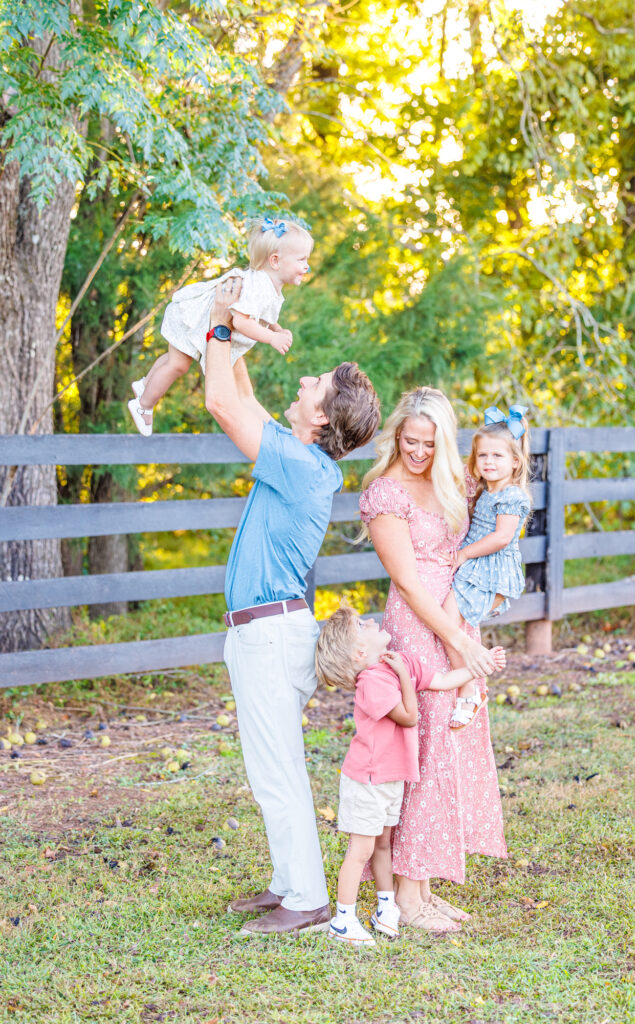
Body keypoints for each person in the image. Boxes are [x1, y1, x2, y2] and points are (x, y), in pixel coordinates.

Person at [204, 278, 380, 937]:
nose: (304, 379)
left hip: (272, 636)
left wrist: (219, 327)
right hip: (269, 632)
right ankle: (288, 882)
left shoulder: (302, 466)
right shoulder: (296, 454)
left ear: (323, 419)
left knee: (276, 770)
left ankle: (306, 898)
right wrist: (241, 322)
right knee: (269, 766)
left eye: (316, 384)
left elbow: (222, 402)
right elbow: (242, 393)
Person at [358, 387, 507, 933]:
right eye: (410, 441)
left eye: (429, 443)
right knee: (424, 750)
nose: (419, 452)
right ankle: (405, 894)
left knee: (452, 744)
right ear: (397, 435)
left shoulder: (454, 481)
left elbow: (507, 488)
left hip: (456, 616)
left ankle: (424, 883)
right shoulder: (385, 493)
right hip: (418, 625)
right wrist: (460, 644)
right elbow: (409, 583)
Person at [314, 605, 505, 947]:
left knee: (383, 845)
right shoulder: (372, 682)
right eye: (362, 625)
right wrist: (404, 676)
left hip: (391, 778)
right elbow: (409, 717)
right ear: (360, 653)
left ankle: (386, 908)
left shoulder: (397, 663)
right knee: (360, 850)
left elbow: (442, 681)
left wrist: (479, 667)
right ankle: (343, 919)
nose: (371, 621)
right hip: (368, 780)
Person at [128, 217, 312, 435]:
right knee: (178, 365)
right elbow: (241, 321)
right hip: (193, 318)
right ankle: (143, 406)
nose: (307, 266)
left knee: (173, 359)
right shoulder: (260, 286)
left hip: (197, 320)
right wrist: (272, 338)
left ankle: (145, 385)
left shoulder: (268, 285)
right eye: (301, 259)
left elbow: (261, 313)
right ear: (275, 261)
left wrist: (276, 329)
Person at [449, 405, 532, 729]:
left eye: (497, 456)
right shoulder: (486, 489)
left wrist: (462, 555)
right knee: (451, 625)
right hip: (476, 569)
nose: (488, 462)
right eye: (482, 455)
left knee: (448, 622)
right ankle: (470, 682)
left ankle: (469, 690)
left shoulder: (512, 496)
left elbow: (501, 538)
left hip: (490, 572)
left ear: (515, 461)